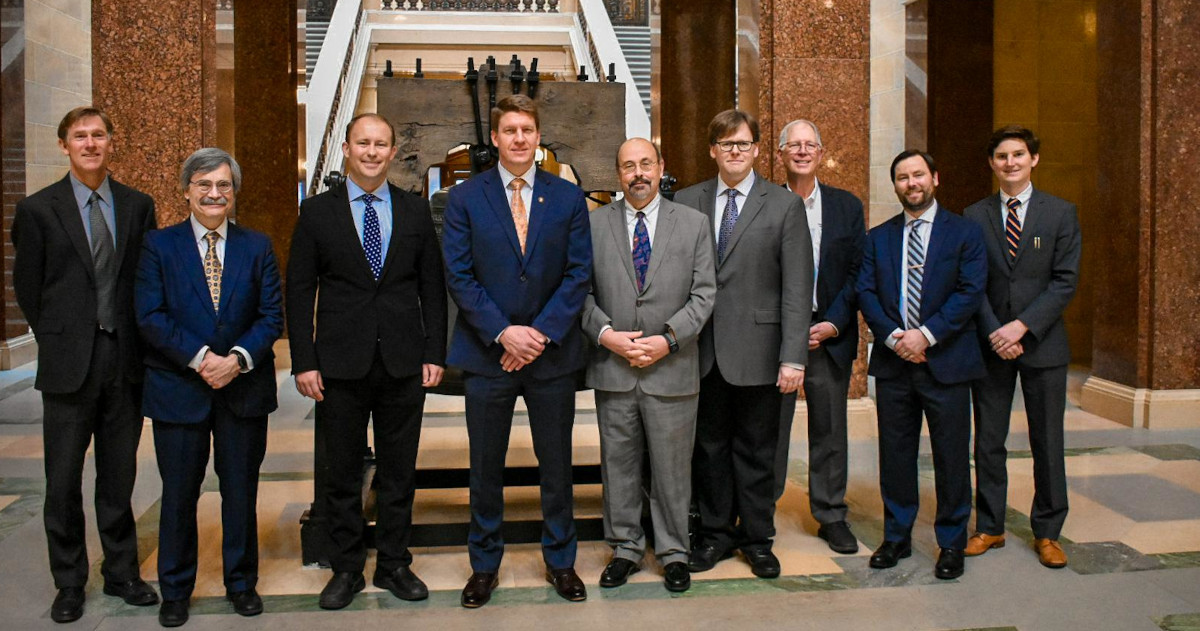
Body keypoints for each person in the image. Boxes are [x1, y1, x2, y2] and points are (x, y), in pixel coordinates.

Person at [286, 113, 447, 610]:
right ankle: (347, 568)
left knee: (399, 471)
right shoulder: (317, 213)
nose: (372, 152)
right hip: (339, 364)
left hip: (403, 361)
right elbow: (299, 290)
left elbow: (432, 287)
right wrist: (303, 360)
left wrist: (434, 351)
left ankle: (394, 563)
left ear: (393, 152)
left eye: (381, 144)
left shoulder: (414, 210)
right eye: (363, 143)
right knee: (341, 473)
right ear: (346, 149)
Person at [442, 94, 592, 607]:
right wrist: (505, 333)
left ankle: (562, 562)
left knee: (557, 466)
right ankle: (484, 566)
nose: (520, 139)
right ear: (495, 138)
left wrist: (539, 335)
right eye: (510, 130)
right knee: (485, 468)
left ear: (539, 137)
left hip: (551, 357)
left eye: (527, 130)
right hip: (488, 356)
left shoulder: (567, 198)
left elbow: (578, 273)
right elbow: (459, 275)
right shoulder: (465, 198)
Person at [12, 106, 159, 623]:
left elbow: (145, 280)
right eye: (80, 136)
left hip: (124, 360)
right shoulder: (37, 210)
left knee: (118, 476)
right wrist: (63, 336)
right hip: (68, 364)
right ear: (64, 145)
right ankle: (69, 582)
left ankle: (121, 573)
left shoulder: (137, 206)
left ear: (111, 142)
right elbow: (28, 288)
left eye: (98, 135)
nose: (90, 144)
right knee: (62, 481)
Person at [135, 148, 283, 626]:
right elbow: (150, 316)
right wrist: (202, 360)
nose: (214, 194)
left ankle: (241, 584)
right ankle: (176, 589)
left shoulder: (257, 246)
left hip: (243, 391)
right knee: (179, 495)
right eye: (204, 185)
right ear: (186, 191)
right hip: (180, 390)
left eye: (223, 185)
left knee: (240, 492)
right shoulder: (159, 246)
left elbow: (271, 316)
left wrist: (235, 361)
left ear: (234, 192)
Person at [673, 109, 812, 578]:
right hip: (702, 349)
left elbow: (798, 288)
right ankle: (714, 534)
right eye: (726, 144)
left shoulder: (784, 205)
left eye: (744, 143)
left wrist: (793, 357)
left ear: (756, 150)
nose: (735, 151)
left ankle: (757, 538)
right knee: (709, 448)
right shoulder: (687, 200)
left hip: (761, 351)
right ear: (712, 150)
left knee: (756, 450)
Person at [582, 138, 716, 593]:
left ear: (661, 167)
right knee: (617, 466)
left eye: (645, 164)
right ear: (618, 174)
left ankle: (674, 551)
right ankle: (625, 548)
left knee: (673, 470)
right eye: (628, 166)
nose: (637, 173)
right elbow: (578, 291)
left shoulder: (694, 224)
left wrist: (668, 340)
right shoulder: (594, 225)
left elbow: (704, 294)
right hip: (614, 369)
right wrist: (607, 335)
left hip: (671, 369)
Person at [857, 150, 987, 580]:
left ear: (935, 178)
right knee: (895, 455)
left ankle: (951, 542)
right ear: (894, 185)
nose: (911, 183)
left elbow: (969, 292)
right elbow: (866, 292)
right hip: (894, 363)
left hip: (947, 360)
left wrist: (925, 335)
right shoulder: (878, 237)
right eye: (902, 177)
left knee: (951, 457)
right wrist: (896, 337)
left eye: (918, 175)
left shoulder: (965, 233)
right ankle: (896, 536)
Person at [964, 125, 1081, 569]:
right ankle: (989, 525)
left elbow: (1065, 281)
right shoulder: (974, 215)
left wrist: (1022, 327)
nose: (1010, 162)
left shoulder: (1060, 213)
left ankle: (1048, 531)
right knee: (988, 440)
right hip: (991, 345)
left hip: (1043, 345)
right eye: (1001, 156)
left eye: (1018, 154)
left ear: (1034, 159)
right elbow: (971, 282)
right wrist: (997, 332)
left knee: (1047, 440)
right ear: (991, 164)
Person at [773, 119, 866, 554]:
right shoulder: (766, 203)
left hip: (829, 333)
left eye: (810, 144)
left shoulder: (846, 207)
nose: (802, 151)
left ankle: (831, 514)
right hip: (775, 338)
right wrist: (787, 326)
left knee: (829, 429)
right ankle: (759, 511)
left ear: (821, 152)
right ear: (780, 153)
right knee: (769, 429)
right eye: (794, 144)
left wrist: (833, 322)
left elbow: (858, 271)